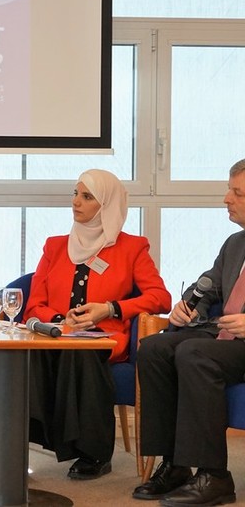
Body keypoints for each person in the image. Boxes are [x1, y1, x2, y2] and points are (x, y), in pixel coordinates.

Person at [24, 168, 171, 480]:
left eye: (87, 196)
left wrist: (110, 308)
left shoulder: (132, 248)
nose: (76, 202)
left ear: (106, 204)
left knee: (81, 352)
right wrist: (60, 320)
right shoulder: (54, 247)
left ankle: (94, 453)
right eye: (75, 194)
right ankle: (29, 437)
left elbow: (161, 298)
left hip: (103, 338)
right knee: (32, 352)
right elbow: (33, 304)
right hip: (57, 333)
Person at [133, 160, 245, 506]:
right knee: (155, 348)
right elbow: (207, 285)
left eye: (238, 192)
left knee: (194, 353)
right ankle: (175, 465)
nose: (226, 198)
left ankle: (215, 476)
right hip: (225, 339)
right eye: (229, 189)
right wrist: (188, 305)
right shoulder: (235, 244)